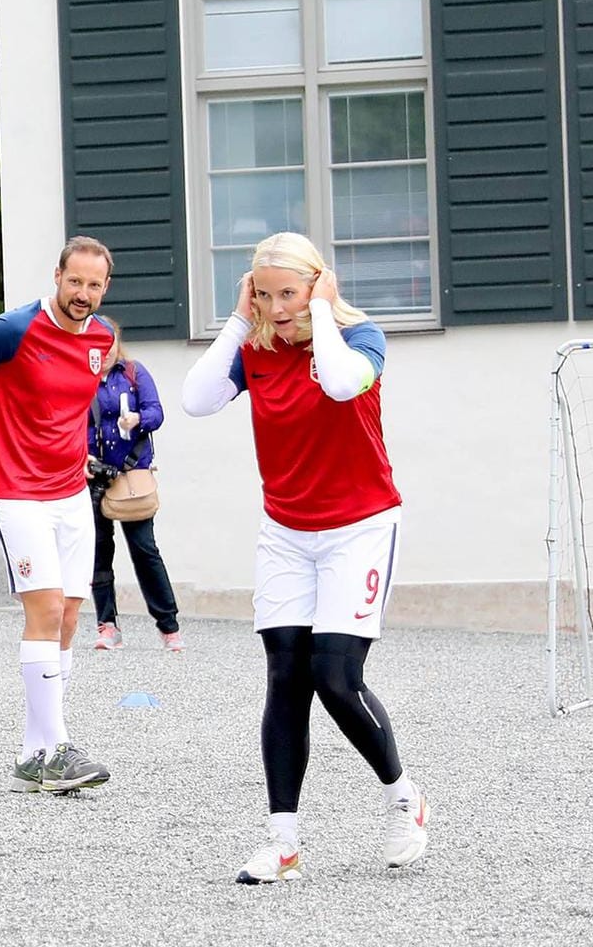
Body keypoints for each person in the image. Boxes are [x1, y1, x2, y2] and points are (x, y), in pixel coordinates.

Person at [182, 231, 430, 882]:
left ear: (317, 285)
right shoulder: (255, 350)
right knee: (285, 676)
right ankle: (283, 844)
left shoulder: (361, 338)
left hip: (359, 528)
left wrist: (321, 312)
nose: (275, 306)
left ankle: (405, 801)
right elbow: (195, 398)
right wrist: (239, 321)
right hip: (286, 531)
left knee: (336, 679)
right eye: (263, 295)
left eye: (287, 293)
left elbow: (345, 386)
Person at [0, 236, 118, 795]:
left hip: (70, 495)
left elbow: (65, 408)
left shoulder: (101, 340)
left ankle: (36, 754)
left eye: (94, 285)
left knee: (70, 619)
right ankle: (56, 750)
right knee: (46, 608)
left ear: (105, 288)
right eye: (74, 281)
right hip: (15, 493)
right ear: (56, 276)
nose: (82, 293)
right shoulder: (14, 329)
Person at [84, 316, 182, 652]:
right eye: (97, 346)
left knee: (144, 549)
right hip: (96, 476)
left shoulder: (133, 373)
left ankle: (168, 626)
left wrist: (138, 418)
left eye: (108, 344)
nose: (104, 352)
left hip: (133, 475)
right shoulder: (81, 379)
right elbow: (71, 423)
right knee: (99, 551)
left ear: (117, 342)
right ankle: (107, 625)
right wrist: (83, 456)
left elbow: (157, 413)